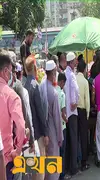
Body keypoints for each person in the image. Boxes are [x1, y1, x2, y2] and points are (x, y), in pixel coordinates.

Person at [0, 49, 25, 180]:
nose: (12, 74)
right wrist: (18, 150)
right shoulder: (11, 96)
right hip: (7, 159)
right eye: (10, 71)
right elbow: (21, 127)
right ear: (5, 71)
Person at [24, 55, 49, 180]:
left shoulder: (22, 87)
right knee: (40, 170)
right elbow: (41, 112)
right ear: (35, 68)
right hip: (38, 133)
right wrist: (46, 133)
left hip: (28, 134)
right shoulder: (35, 86)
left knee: (30, 169)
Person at [40, 60, 63, 180]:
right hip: (52, 132)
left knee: (45, 165)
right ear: (53, 73)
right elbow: (57, 118)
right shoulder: (53, 93)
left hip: (43, 133)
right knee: (53, 168)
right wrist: (60, 137)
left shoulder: (41, 86)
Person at [64, 52, 80, 178]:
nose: (77, 62)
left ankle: (69, 166)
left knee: (69, 140)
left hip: (67, 112)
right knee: (74, 140)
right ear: (71, 61)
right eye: (75, 60)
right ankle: (74, 168)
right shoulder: (72, 75)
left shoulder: (65, 74)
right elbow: (74, 90)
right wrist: (74, 103)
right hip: (72, 111)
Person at [75, 60, 90, 171]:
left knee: (76, 136)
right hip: (83, 111)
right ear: (84, 69)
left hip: (75, 111)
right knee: (84, 137)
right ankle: (83, 162)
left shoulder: (74, 79)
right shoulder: (85, 82)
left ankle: (76, 160)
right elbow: (87, 100)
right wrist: (88, 113)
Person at [57, 73, 68, 180]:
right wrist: (67, 120)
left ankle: (56, 174)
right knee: (62, 153)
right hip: (62, 127)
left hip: (54, 128)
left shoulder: (53, 91)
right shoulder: (61, 94)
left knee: (56, 153)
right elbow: (63, 113)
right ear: (61, 82)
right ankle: (62, 175)